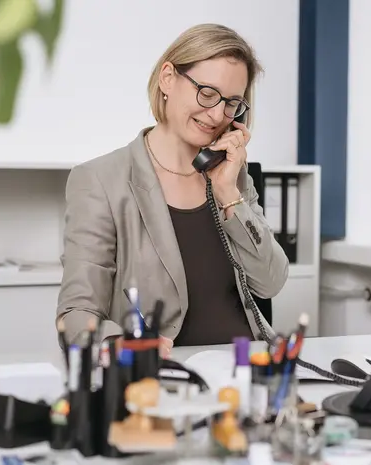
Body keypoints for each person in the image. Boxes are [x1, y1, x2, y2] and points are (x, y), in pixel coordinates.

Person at [56, 23, 289, 358]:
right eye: (207, 93)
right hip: (168, 372)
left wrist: (228, 194)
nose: (217, 114)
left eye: (232, 103)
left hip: (246, 367)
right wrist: (120, 344)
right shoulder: (100, 180)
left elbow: (271, 282)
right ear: (168, 78)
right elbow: (76, 312)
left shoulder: (232, 175)